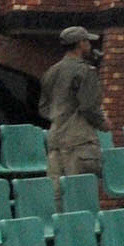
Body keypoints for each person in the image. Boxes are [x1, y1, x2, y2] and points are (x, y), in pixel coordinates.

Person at [42, 27, 108, 178]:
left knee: (58, 189)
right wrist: (103, 122)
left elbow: (44, 108)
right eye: (87, 41)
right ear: (81, 43)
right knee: (81, 188)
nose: (90, 45)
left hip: (55, 140)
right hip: (80, 141)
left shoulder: (51, 72)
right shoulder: (85, 71)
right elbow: (89, 106)